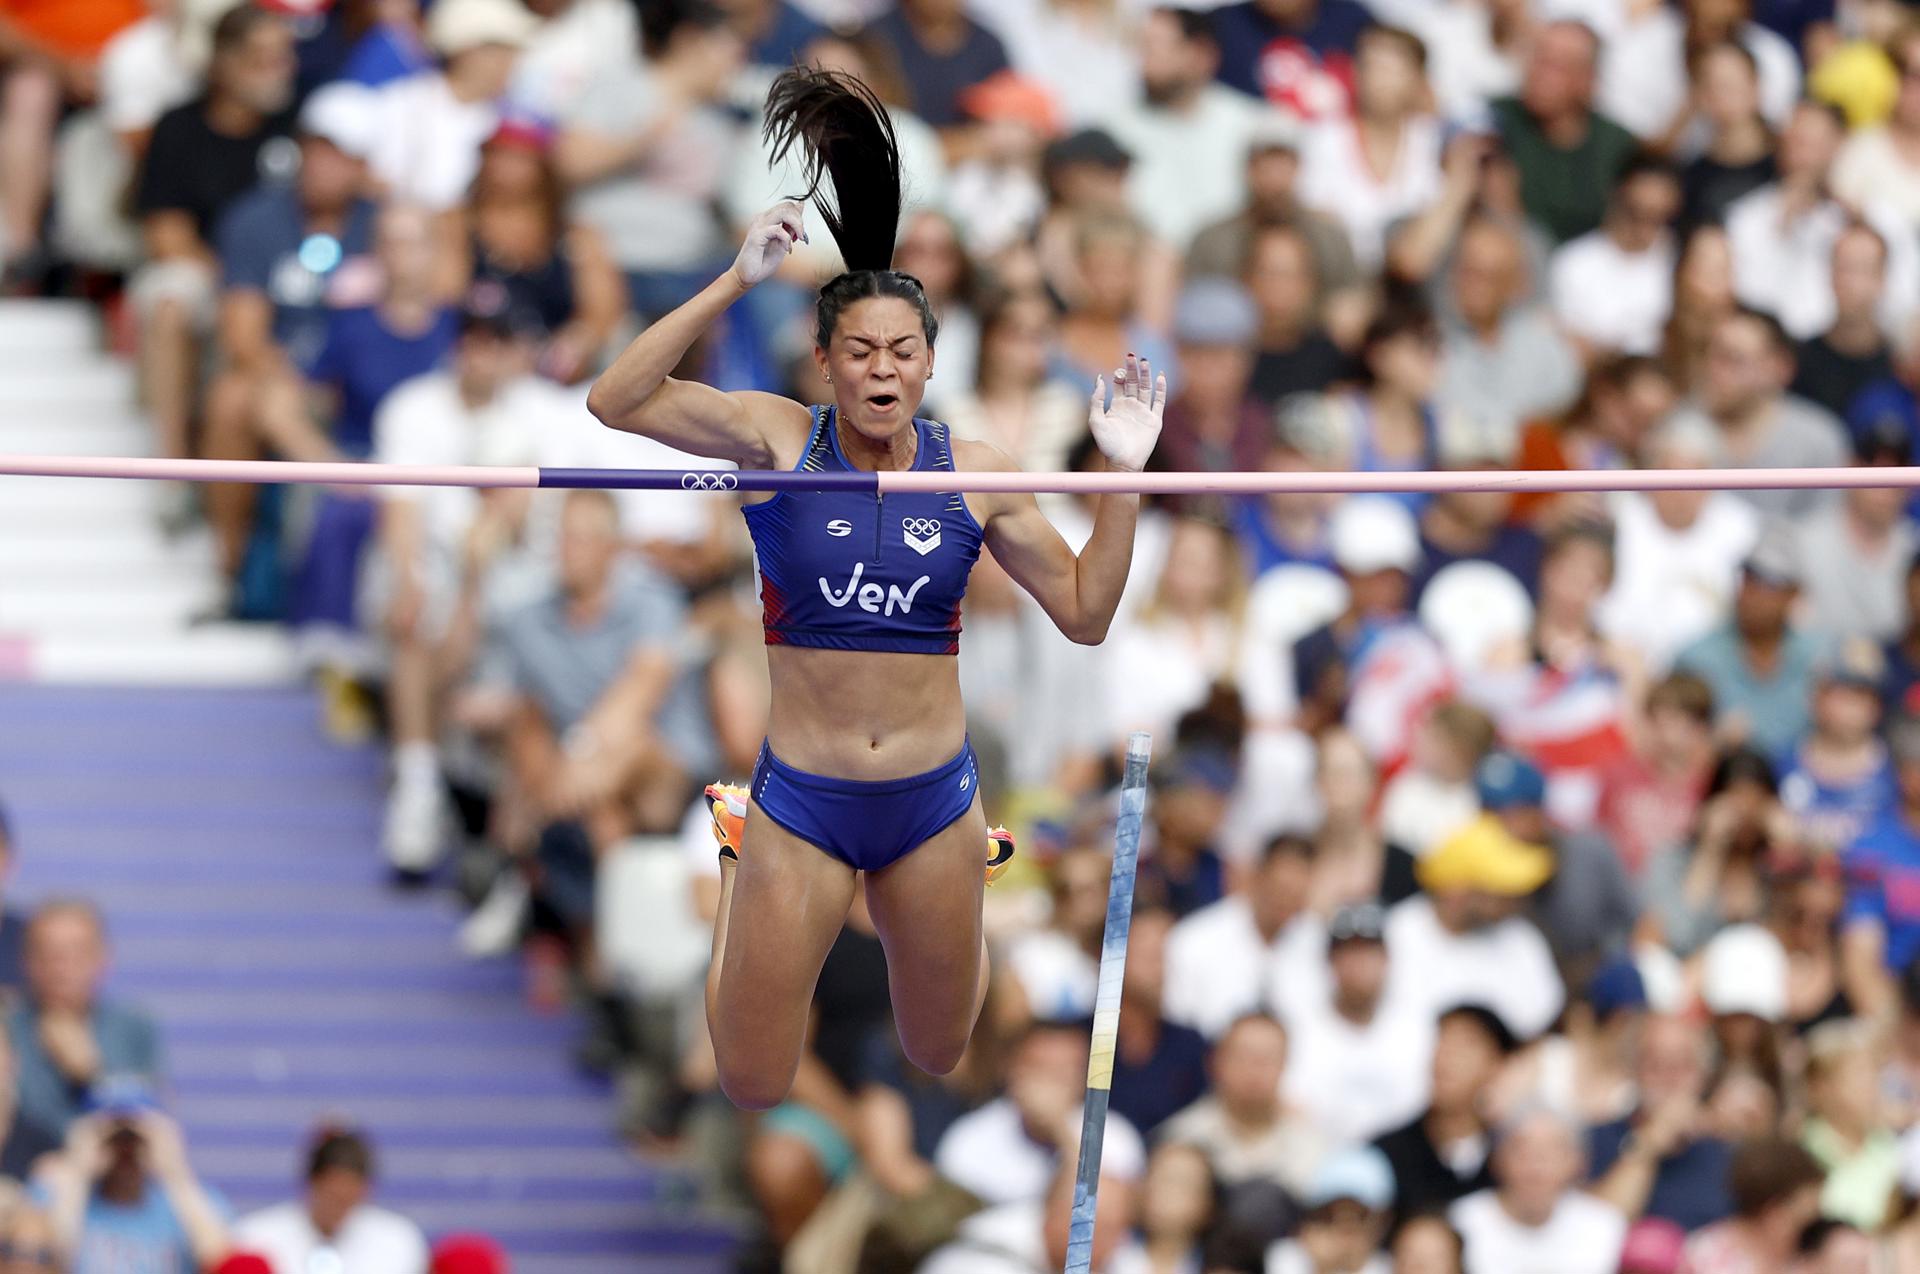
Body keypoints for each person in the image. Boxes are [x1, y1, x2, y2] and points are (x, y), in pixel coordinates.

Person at [585, 68, 1165, 1111]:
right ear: (825, 360)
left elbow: (1084, 613)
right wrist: (732, 280)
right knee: (753, 1078)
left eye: (902, 349)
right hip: (801, 801)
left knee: (940, 1049)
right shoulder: (773, 439)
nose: (881, 368)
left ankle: (975, 857)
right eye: (859, 350)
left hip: (931, 796)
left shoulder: (975, 473)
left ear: (932, 362)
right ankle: (734, 845)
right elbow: (615, 398)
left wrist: (1121, 475)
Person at [130, 3, 296, 468]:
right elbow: (167, 237)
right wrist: (238, 285)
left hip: (287, 279)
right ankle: (172, 463)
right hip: (212, 277)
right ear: (223, 62)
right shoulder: (179, 127)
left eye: (283, 56)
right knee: (170, 301)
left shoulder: (298, 123)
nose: (277, 69)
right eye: (262, 57)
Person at [1726, 99, 1920, 342]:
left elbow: (1906, 301)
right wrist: (1780, 227)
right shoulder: (1748, 217)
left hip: (1859, 351)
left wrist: (1863, 226)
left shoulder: (1879, 217)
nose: (1803, 155)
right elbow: (1748, 301)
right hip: (1779, 354)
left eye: (1815, 144)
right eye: (1795, 142)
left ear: (1840, 144)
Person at [1104, 7, 1268, 253]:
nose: (1144, 60)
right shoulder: (1113, 130)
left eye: (1156, 46)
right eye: (1142, 46)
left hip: (1232, 263)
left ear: (1200, 54)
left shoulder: (1250, 125)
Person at [932, 1018, 1146, 1206]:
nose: (1050, 1084)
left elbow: (1102, 1217)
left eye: (1064, 1072)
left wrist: (1061, 1133)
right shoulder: (968, 1139)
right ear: (1011, 1070)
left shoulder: (1115, 1137)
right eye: (1040, 1069)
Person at [1281, 902, 1434, 1145]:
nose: (1359, 965)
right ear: (1330, 962)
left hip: (1405, 1164)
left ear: (1386, 959)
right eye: (1348, 953)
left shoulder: (1418, 1027)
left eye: (1368, 952)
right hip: (1316, 1160)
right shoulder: (1298, 1028)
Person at [9, 900, 163, 1137]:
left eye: (76, 953)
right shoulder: (7, 1030)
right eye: (48, 954)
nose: (60, 967)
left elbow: (148, 1122)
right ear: (26, 961)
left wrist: (90, 1075)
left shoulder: (135, 1026)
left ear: (103, 958)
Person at [1296, 23, 1443, 273]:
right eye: (1370, 65)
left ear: (1418, 79)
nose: (1379, 78)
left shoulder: (1435, 142)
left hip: (1419, 286)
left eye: (1392, 69)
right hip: (1341, 278)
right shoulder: (1323, 139)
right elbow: (1315, 223)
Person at [40, 1089, 233, 1274]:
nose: (126, 1151)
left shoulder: (197, 1201)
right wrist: (79, 1172)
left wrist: (174, 1172)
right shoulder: (56, 1193)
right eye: (114, 1139)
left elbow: (220, 1261)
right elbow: (43, 1259)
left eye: (136, 1139)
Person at [1435, 215, 1580, 458]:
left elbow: (1561, 413)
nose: (1473, 285)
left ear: (1514, 284)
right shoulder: (1427, 342)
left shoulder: (1544, 347)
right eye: (1467, 271)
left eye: (1488, 276)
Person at [1675, 533, 1825, 757]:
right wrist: (1713, 743)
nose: (1753, 594)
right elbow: (1669, 744)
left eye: (1769, 585)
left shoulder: (1819, 658)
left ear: (1793, 594)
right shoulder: (1697, 659)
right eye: (1748, 579)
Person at [1490, 21, 1637, 244]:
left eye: (1556, 66)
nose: (1539, 74)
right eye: (1538, 59)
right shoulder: (1494, 121)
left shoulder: (1619, 148)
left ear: (1588, 79)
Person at [1588, 1014, 1736, 1232]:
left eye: (1682, 1065)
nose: (1669, 1078)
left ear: (1703, 1076)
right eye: (1655, 1064)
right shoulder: (1596, 1139)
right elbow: (1597, 1231)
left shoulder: (1727, 1150)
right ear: (1634, 1071)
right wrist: (1648, 1144)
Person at [1163, 834, 1321, 1038]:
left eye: (1295, 894)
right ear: (1257, 877)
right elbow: (1178, 1026)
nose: (1285, 901)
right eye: (1280, 889)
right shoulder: (1194, 940)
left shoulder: (1320, 942)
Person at [1160, 1012, 1330, 1199]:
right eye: (1243, 1057)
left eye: (1267, 1059)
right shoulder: (1181, 1139)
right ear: (1215, 1062)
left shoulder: (1312, 1146)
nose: (1254, 1070)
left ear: (1284, 1065)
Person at [1450, 1105, 1626, 1274]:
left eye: (1548, 1155)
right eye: (1523, 1152)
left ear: (1578, 1161)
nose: (1535, 1169)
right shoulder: (1461, 1221)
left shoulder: (1604, 1227)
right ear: (1497, 1158)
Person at [1373, 1005, 1514, 1216]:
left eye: (1465, 1045)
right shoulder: (1387, 1155)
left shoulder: (1511, 1157)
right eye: (1442, 1040)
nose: (1446, 1057)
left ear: (1497, 1063)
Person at [233, 1128, 429, 1274]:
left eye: (348, 1200)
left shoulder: (399, 1241)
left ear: (365, 1192)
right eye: (331, 1196)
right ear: (311, 1183)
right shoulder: (257, 1238)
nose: (337, 1208)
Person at [1795, 423, 1918, 646]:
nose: (1884, 482)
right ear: (1850, 466)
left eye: (1897, 466)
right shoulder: (1804, 541)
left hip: (1897, 677)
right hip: (1820, 674)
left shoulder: (1915, 549)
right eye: (1872, 463)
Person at [1548, 154, 1682, 358]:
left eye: (1658, 217)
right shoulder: (1572, 263)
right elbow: (1568, 346)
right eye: (1635, 212)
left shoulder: (1679, 259)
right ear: (1615, 195)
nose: (1644, 228)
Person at [1778, 641, 1896, 854]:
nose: (1852, 708)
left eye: (1862, 695)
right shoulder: (1779, 765)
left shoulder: (1900, 774)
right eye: (1842, 694)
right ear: (1816, 698)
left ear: (1878, 707)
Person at [1790, 224, 1897, 422]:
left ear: (1882, 278)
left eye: (1864, 269)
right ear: (1830, 274)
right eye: (1844, 268)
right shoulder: (1797, 361)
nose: (1851, 281)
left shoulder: (1902, 366)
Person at [1674, 1137, 1826, 1274]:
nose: (1813, 1231)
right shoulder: (1709, 1255)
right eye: (1807, 1219)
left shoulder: (1802, 1262)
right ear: (1773, 1212)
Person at [1263, 1146, 1395, 1274]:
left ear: (1383, 1221)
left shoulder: (1393, 1267)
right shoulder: (1288, 1256)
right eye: (1329, 1214)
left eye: (1360, 1215)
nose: (1345, 1225)